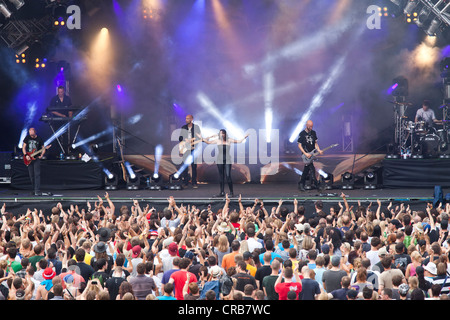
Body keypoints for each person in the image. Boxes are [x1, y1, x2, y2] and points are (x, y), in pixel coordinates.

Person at [202, 129, 249, 197]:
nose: (222, 135)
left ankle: (231, 192)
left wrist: (245, 137)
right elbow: (207, 142)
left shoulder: (229, 140)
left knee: (228, 175)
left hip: (227, 159)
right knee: (221, 176)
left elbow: (239, 141)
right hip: (219, 159)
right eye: (220, 134)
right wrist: (208, 137)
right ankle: (222, 192)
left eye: (223, 133)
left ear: (225, 134)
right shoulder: (217, 140)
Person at [297, 120, 322, 191]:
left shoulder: (313, 133)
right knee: (311, 168)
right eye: (310, 126)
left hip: (312, 154)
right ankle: (316, 185)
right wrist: (305, 153)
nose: (311, 127)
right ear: (306, 125)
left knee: (306, 169)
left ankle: (301, 184)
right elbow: (299, 145)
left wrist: (319, 149)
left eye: (312, 126)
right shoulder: (302, 134)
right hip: (306, 155)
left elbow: (315, 143)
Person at [178, 114, 202, 188]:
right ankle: (185, 182)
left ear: (192, 119)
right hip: (185, 149)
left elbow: (199, 137)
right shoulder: (183, 127)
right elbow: (180, 138)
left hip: (193, 149)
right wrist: (184, 140)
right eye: (186, 118)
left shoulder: (196, 127)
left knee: (193, 166)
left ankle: (194, 182)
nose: (186, 120)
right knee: (185, 166)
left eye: (188, 118)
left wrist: (193, 141)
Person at [22, 128, 46, 196]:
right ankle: (33, 189)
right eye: (30, 135)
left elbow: (43, 148)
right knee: (31, 175)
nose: (31, 136)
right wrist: (26, 155)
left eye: (32, 135)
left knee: (37, 175)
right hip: (29, 158)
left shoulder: (39, 139)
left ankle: (37, 190)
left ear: (35, 132)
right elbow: (23, 147)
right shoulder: (27, 137)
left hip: (36, 158)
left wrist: (42, 155)